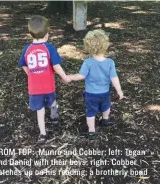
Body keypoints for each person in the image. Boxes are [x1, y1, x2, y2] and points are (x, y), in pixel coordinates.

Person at [18, 15, 70, 143]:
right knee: (50, 100)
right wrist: (65, 77)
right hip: (48, 86)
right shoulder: (49, 48)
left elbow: (24, 65)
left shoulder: (27, 49)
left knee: (40, 109)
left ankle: (43, 133)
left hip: (34, 88)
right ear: (47, 34)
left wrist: (31, 74)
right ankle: (49, 122)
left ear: (31, 34)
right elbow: (56, 66)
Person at [68, 29, 124, 138]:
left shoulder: (88, 62)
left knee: (91, 112)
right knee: (106, 106)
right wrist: (119, 90)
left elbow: (81, 76)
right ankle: (105, 120)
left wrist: (70, 77)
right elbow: (114, 78)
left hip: (91, 94)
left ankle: (92, 130)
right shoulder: (109, 62)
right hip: (105, 93)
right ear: (105, 45)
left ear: (88, 46)